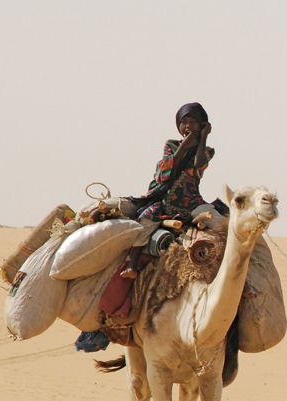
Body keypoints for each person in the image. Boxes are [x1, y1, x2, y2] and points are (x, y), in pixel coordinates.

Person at [74, 102, 216, 352]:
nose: (186, 126)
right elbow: (166, 172)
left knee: (220, 231)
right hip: (161, 201)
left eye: (192, 122)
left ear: (203, 124)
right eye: (183, 122)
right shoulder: (172, 146)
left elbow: (198, 165)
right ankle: (131, 260)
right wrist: (188, 140)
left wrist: (201, 138)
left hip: (189, 203)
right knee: (143, 224)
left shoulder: (207, 149)